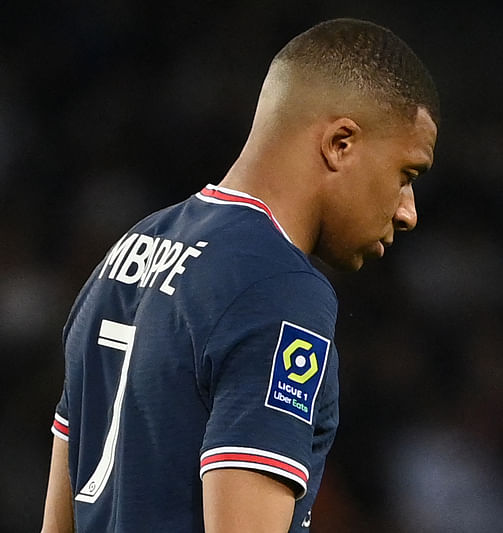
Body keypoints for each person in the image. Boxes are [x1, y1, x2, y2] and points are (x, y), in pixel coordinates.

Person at [41, 17, 439, 533]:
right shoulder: (281, 289)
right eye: (406, 175)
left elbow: (57, 522)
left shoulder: (125, 254)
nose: (408, 211)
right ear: (341, 143)